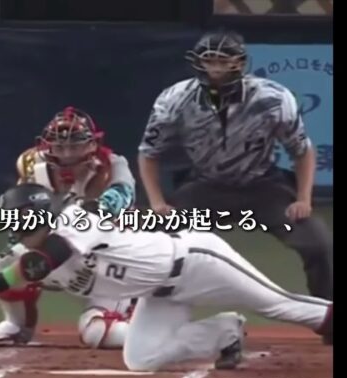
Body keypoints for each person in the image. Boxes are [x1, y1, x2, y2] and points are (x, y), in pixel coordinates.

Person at [0, 183, 333, 372]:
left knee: (280, 306)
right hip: (158, 292)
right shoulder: (30, 252)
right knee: (142, 359)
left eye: (18, 219)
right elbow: (2, 269)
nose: (14, 228)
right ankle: (225, 331)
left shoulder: (76, 219)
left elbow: (43, 263)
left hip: (195, 260)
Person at [137, 29, 333, 304]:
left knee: (317, 242)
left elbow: (302, 151)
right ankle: (140, 311)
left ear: (239, 62)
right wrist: (157, 202)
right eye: (209, 61)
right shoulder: (175, 99)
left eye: (223, 61)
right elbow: (148, 153)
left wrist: (303, 199)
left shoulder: (273, 98)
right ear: (198, 62)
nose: (216, 68)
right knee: (153, 241)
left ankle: (327, 311)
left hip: (264, 187)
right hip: (205, 188)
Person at [0, 106, 136, 349]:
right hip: (56, 247)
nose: (67, 155)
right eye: (60, 147)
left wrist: (84, 211)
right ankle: (17, 323)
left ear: (92, 145)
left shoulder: (112, 165)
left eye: (75, 146)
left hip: (107, 257)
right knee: (15, 262)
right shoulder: (31, 165)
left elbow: (122, 196)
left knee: (99, 333)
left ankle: (137, 317)